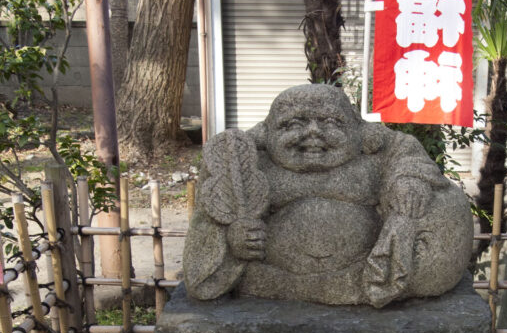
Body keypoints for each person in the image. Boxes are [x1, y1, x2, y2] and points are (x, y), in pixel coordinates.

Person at [183, 84, 475, 307]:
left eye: (331, 123)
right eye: (293, 124)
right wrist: (234, 238)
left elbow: (406, 155)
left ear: (358, 131)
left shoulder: (376, 155)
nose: (313, 133)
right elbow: (212, 220)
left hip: (367, 275)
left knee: (440, 203)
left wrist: (408, 182)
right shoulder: (251, 164)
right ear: (267, 132)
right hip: (271, 281)